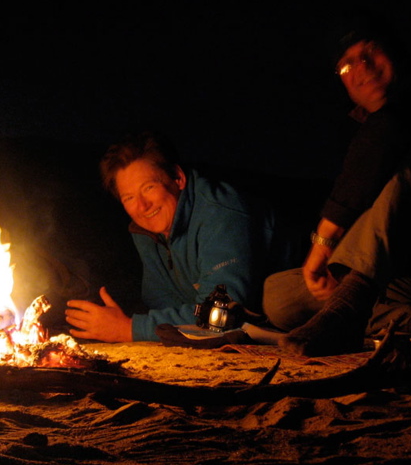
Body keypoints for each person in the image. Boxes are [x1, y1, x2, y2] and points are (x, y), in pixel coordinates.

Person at [263, 14, 411, 338]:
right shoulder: (356, 133)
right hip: (398, 277)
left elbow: (389, 129)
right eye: (346, 65)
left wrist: (323, 243)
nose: (362, 67)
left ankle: (359, 307)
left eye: (370, 51)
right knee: (278, 296)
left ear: (395, 51)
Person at [65, 131, 290, 343]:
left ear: (178, 178)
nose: (142, 206)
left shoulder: (222, 215)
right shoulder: (147, 232)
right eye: (129, 198)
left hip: (285, 316)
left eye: (149, 187)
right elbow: (162, 303)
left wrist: (129, 328)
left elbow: (219, 314)